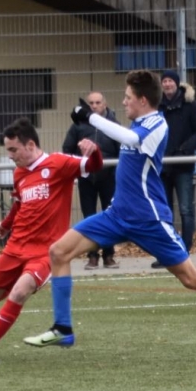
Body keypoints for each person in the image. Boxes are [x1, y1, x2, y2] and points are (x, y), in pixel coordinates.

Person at [23, 70, 196, 359]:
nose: (124, 102)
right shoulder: (138, 123)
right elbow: (124, 138)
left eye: (128, 97)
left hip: (149, 220)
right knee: (58, 252)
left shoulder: (157, 124)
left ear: (143, 100)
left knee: (191, 278)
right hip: (117, 215)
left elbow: (130, 139)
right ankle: (63, 328)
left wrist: (90, 117)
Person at [0, 118, 102, 365]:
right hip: (15, 248)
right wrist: (6, 224)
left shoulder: (59, 163)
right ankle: (18, 288)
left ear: (30, 145)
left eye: (13, 149)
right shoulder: (19, 173)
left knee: (19, 292)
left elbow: (93, 166)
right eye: (8, 150)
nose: (10, 155)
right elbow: (19, 203)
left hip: (45, 252)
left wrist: (94, 150)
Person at [151, 70, 196, 268]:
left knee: (185, 209)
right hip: (162, 166)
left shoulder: (191, 106)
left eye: (170, 81)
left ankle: (184, 251)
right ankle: (167, 252)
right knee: (164, 211)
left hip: (183, 165)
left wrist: (185, 149)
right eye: (164, 81)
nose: (167, 84)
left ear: (177, 84)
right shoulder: (156, 107)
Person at [62, 91, 121, 269]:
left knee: (110, 216)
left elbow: (121, 151)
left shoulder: (114, 125)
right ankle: (92, 256)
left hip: (108, 177)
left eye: (97, 102)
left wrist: (116, 173)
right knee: (89, 217)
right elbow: (67, 149)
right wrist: (77, 168)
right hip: (86, 178)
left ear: (105, 104)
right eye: (91, 103)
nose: (94, 106)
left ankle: (108, 255)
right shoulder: (78, 125)